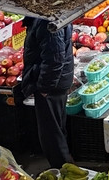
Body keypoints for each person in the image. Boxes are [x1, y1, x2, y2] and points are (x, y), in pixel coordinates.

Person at [21, 17, 74, 167]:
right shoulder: (46, 18)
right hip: (56, 82)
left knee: (51, 134)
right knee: (56, 128)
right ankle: (66, 166)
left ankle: (63, 171)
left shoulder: (46, 23)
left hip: (51, 85)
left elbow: (54, 59)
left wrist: (45, 87)